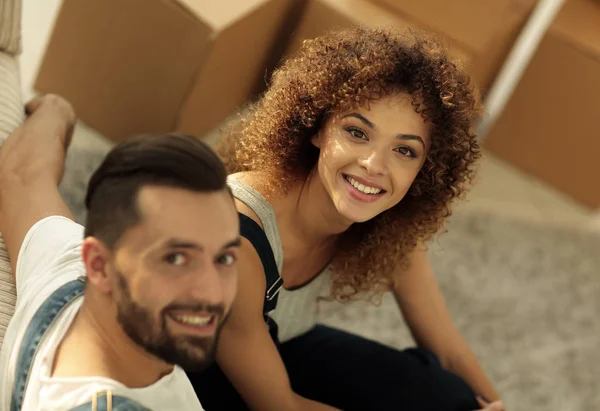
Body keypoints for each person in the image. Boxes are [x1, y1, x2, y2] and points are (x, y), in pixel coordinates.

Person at [188, 27, 506, 411]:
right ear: (318, 127)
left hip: (285, 347)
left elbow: (448, 350)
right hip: (196, 377)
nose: (374, 165)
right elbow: (280, 406)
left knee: (450, 398)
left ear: (425, 167)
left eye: (404, 151)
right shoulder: (237, 231)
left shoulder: (388, 227)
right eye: (357, 132)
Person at [0, 95, 241, 410]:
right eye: (176, 258)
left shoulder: (66, 278)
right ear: (99, 266)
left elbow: (22, 178)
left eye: (223, 258)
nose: (212, 292)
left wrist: (56, 110)